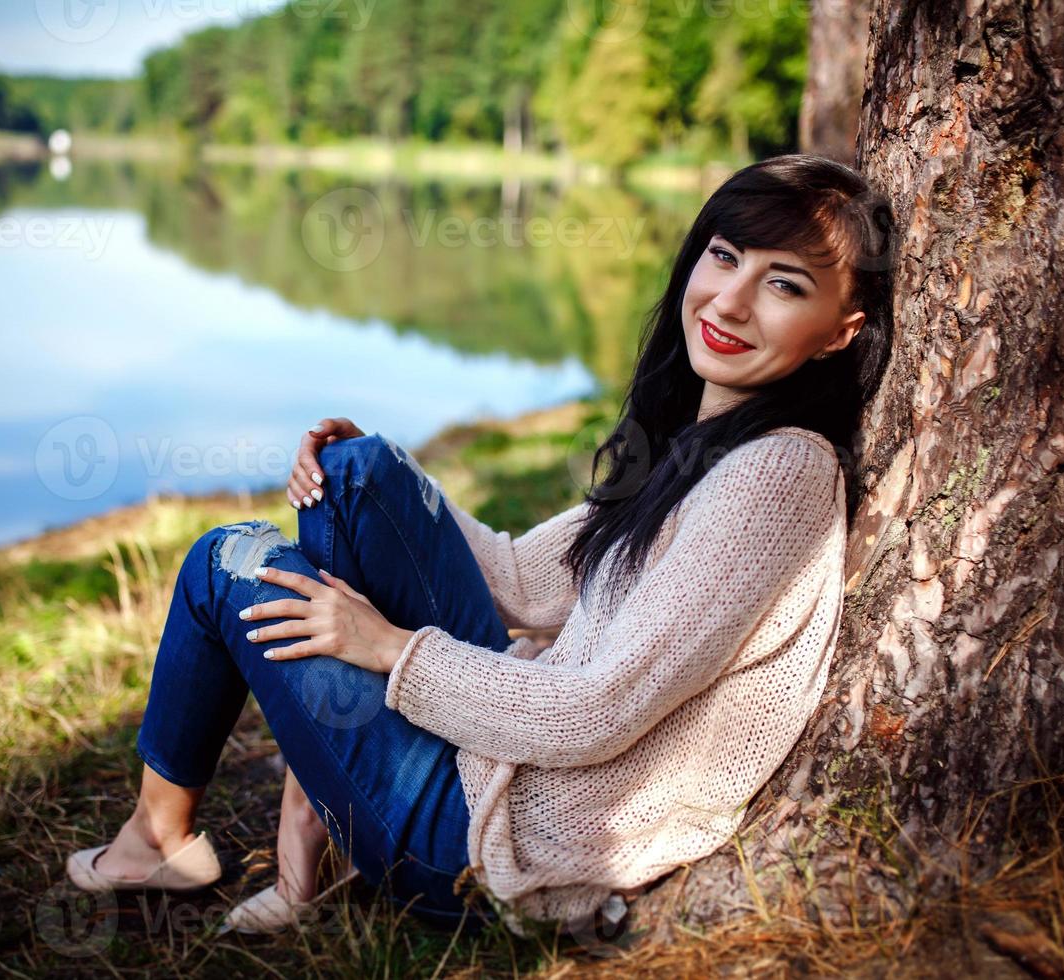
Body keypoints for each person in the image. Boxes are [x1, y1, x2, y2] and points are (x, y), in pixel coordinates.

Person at [64, 153, 895, 939]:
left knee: (225, 560)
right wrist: (384, 474)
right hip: (490, 774)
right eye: (725, 256)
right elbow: (525, 583)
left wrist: (388, 649)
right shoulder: (701, 445)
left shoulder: (779, 471)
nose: (730, 301)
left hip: (488, 845)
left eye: (783, 284)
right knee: (355, 471)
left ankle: (162, 842)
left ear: (839, 333)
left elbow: (598, 712)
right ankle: (309, 810)